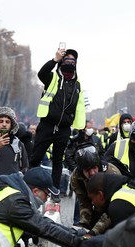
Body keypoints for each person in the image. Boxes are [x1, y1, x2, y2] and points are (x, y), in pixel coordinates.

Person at [30, 46, 86, 189]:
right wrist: (55, 59)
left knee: (57, 162)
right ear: (62, 61)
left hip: (64, 129)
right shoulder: (52, 78)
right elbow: (41, 73)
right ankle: (30, 185)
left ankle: (54, 191)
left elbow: (79, 107)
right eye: (67, 59)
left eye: (73, 60)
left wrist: (80, 128)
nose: (70, 62)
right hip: (47, 125)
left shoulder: (77, 84)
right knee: (35, 158)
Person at [71, 146, 121, 235]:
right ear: (81, 170)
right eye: (87, 170)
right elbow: (84, 202)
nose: (92, 173)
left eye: (94, 168)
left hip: (115, 210)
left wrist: (95, 231)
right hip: (96, 207)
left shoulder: (111, 173)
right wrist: (84, 224)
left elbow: (113, 209)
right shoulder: (76, 178)